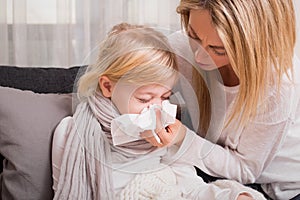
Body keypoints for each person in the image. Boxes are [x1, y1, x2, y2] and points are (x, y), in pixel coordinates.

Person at [51, 23, 266, 200]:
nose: (155, 107)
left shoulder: (163, 128)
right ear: (108, 87)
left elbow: (189, 187)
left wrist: (232, 196)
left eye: (164, 97)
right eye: (144, 98)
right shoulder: (72, 133)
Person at [142, 1, 300, 200]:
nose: (198, 56)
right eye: (194, 36)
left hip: (281, 187)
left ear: (253, 46)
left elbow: (245, 169)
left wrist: (183, 138)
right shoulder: (180, 49)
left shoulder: (279, 86)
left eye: (218, 50)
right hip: (218, 165)